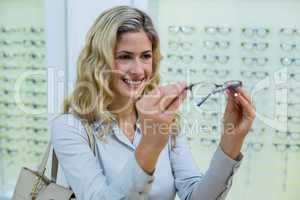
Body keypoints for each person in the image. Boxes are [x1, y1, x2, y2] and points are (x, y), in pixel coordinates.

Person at [50, 5, 255, 200]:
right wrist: (150, 146)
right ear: (99, 61)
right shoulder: (70, 128)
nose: (138, 70)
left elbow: (195, 196)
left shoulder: (166, 120)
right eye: (124, 57)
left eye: (145, 56)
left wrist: (231, 142)